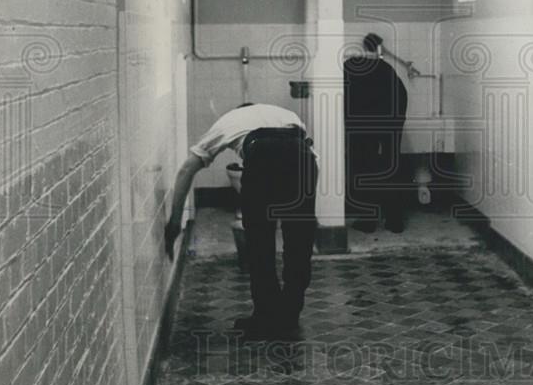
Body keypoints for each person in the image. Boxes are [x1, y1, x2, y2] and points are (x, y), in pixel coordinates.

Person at [164, 102, 318, 339]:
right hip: (302, 159)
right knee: (299, 242)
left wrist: (175, 221)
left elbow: (187, 169)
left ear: (237, 110)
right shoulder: (286, 114)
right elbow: (310, 154)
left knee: (260, 243)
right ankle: (289, 314)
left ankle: (265, 317)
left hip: (262, 157)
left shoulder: (228, 120)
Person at [343, 32, 408, 233]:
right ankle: (395, 221)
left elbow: (342, 99)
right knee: (391, 165)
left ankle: (367, 220)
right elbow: (401, 95)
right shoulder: (386, 69)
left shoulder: (348, 69)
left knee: (363, 168)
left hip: (362, 123)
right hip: (390, 120)